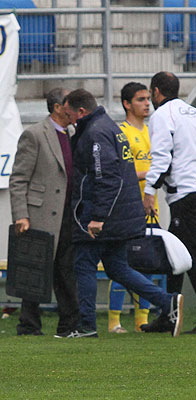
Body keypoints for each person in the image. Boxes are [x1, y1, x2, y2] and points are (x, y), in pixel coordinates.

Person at [63, 88, 183, 338]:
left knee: (83, 265)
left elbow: (106, 177)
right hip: (122, 214)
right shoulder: (109, 128)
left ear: (81, 111)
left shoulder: (95, 133)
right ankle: (167, 302)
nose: (69, 120)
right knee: (118, 268)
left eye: (70, 115)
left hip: (105, 215)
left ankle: (86, 326)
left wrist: (98, 217)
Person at [141, 72, 196, 334]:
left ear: (156, 92)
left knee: (191, 254)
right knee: (175, 253)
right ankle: (169, 314)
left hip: (185, 193)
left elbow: (162, 157)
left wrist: (149, 191)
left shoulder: (161, 116)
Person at [9, 88, 79, 336]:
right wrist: (21, 214)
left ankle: (69, 324)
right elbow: (18, 179)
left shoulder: (73, 133)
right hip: (40, 213)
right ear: (58, 107)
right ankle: (28, 325)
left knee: (66, 270)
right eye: (71, 104)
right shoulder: (34, 134)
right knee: (34, 269)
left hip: (68, 213)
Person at [106, 82, 157, 334]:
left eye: (148, 98)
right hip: (127, 211)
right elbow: (118, 172)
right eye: (140, 99)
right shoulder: (121, 133)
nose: (147, 103)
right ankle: (114, 320)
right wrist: (150, 173)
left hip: (152, 208)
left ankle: (142, 321)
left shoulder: (152, 131)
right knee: (122, 266)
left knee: (147, 264)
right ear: (127, 104)